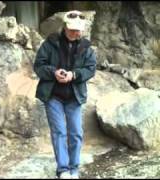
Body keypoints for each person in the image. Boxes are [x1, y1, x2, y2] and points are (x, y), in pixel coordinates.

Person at [33, 10, 97, 179]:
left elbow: (91, 69)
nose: (76, 33)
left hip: (74, 96)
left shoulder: (86, 47)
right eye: (73, 29)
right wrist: (54, 72)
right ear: (65, 27)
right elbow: (38, 65)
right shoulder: (50, 43)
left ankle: (73, 168)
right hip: (53, 95)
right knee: (59, 131)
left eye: (79, 30)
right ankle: (63, 170)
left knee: (76, 133)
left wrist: (74, 75)